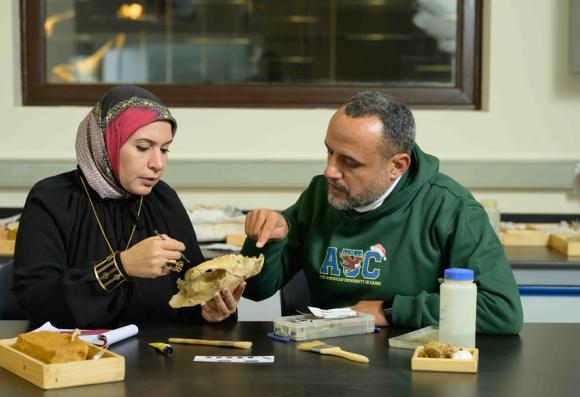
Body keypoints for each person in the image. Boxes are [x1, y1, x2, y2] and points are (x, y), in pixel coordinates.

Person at [242, 91, 523, 334]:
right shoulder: (321, 195)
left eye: (349, 162)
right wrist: (269, 240)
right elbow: (255, 291)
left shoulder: (453, 209)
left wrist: (390, 309)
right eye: (329, 153)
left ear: (397, 166)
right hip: (325, 358)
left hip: (411, 370)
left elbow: (501, 311)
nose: (329, 171)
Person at [12, 85, 244, 328]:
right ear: (106, 143)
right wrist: (120, 267)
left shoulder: (163, 199)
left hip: (161, 358)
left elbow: (192, 293)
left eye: (165, 149)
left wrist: (210, 312)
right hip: (81, 358)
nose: (158, 164)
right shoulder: (52, 199)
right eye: (143, 147)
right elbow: (34, 301)